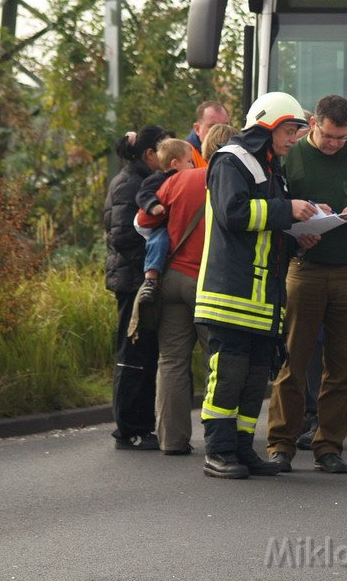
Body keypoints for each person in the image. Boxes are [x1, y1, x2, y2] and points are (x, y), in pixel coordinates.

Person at [266, 94, 347, 474]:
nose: (334, 144)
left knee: (342, 366)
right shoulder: (290, 156)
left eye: (341, 138)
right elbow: (273, 205)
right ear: (313, 124)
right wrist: (295, 232)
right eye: (328, 137)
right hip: (304, 267)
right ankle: (281, 444)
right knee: (293, 359)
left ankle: (329, 446)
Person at [194, 92, 320, 479]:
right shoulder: (231, 160)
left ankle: (243, 448)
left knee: (253, 380)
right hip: (230, 295)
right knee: (228, 376)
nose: (293, 138)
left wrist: (295, 236)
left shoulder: (270, 166)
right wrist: (287, 210)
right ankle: (217, 451)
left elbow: (261, 229)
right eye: (288, 129)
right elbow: (233, 214)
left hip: (262, 299)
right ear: (266, 125)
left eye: (297, 130)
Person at [134, 126, 238, 456]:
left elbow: (144, 222)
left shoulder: (177, 180)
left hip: (173, 279)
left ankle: (172, 440)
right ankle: (220, 440)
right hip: (211, 283)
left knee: (172, 362)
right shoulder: (233, 184)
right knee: (218, 361)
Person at [104, 124, 171, 450]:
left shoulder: (142, 180)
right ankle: (129, 428)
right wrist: (152, 268)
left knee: (146, 354)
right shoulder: (130, 185)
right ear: (149, 154)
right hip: (133, 283)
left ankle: (142, 426)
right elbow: (123, 237)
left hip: (141, 280)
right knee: (132, 356)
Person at [135, 138, 196, 304]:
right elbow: (143, 195)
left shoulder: (184, 180)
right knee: (159, 240)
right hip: (162, 226)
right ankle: (150, 279)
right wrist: (153, 206)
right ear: (175, 163)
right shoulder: (157, 180)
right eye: (190, 162)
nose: (193, 166)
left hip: (176, 228)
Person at [185, 101, 231, 168]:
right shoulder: (185, 155)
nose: (220, 132)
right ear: (197, 129)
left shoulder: (235, 151)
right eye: (213, 127)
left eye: (225, 126)